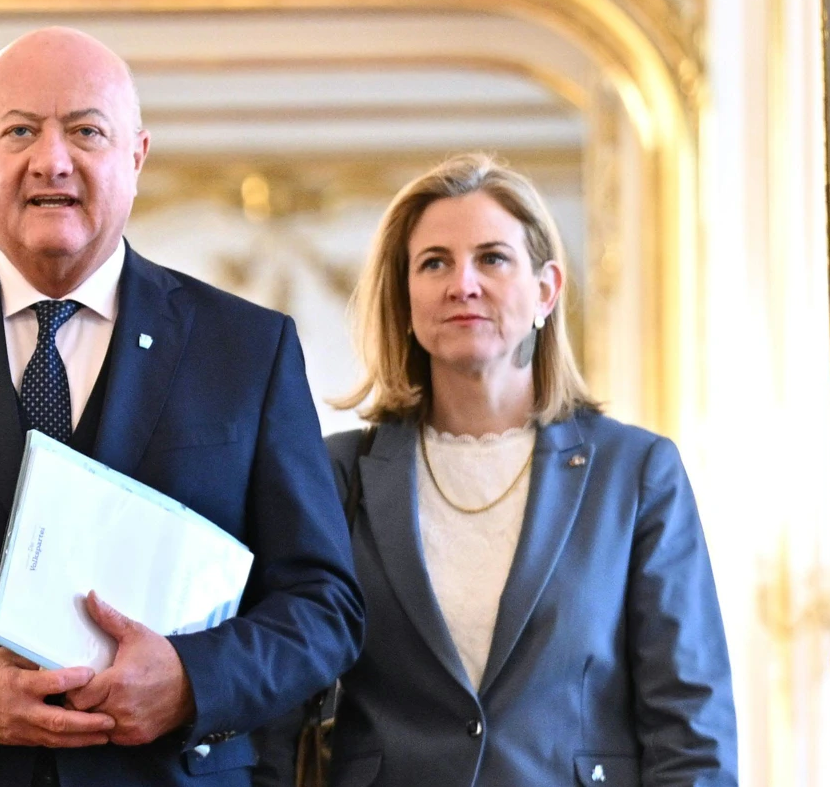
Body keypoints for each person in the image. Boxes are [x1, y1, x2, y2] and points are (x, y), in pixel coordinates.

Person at [0, 26, 363, 786]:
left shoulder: (247, 348)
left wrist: (191, 681)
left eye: (86, 131)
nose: (52, 160)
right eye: (20, 131)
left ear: (136, 155)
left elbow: (323, 605)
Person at [256, 153, 735, 787]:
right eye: (434, 263)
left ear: (546, 289)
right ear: (404, 297)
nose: (463, 284)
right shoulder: (337, 473)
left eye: (492, 258)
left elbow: (690, 727)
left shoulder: (637, 473)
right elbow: (275, 705)